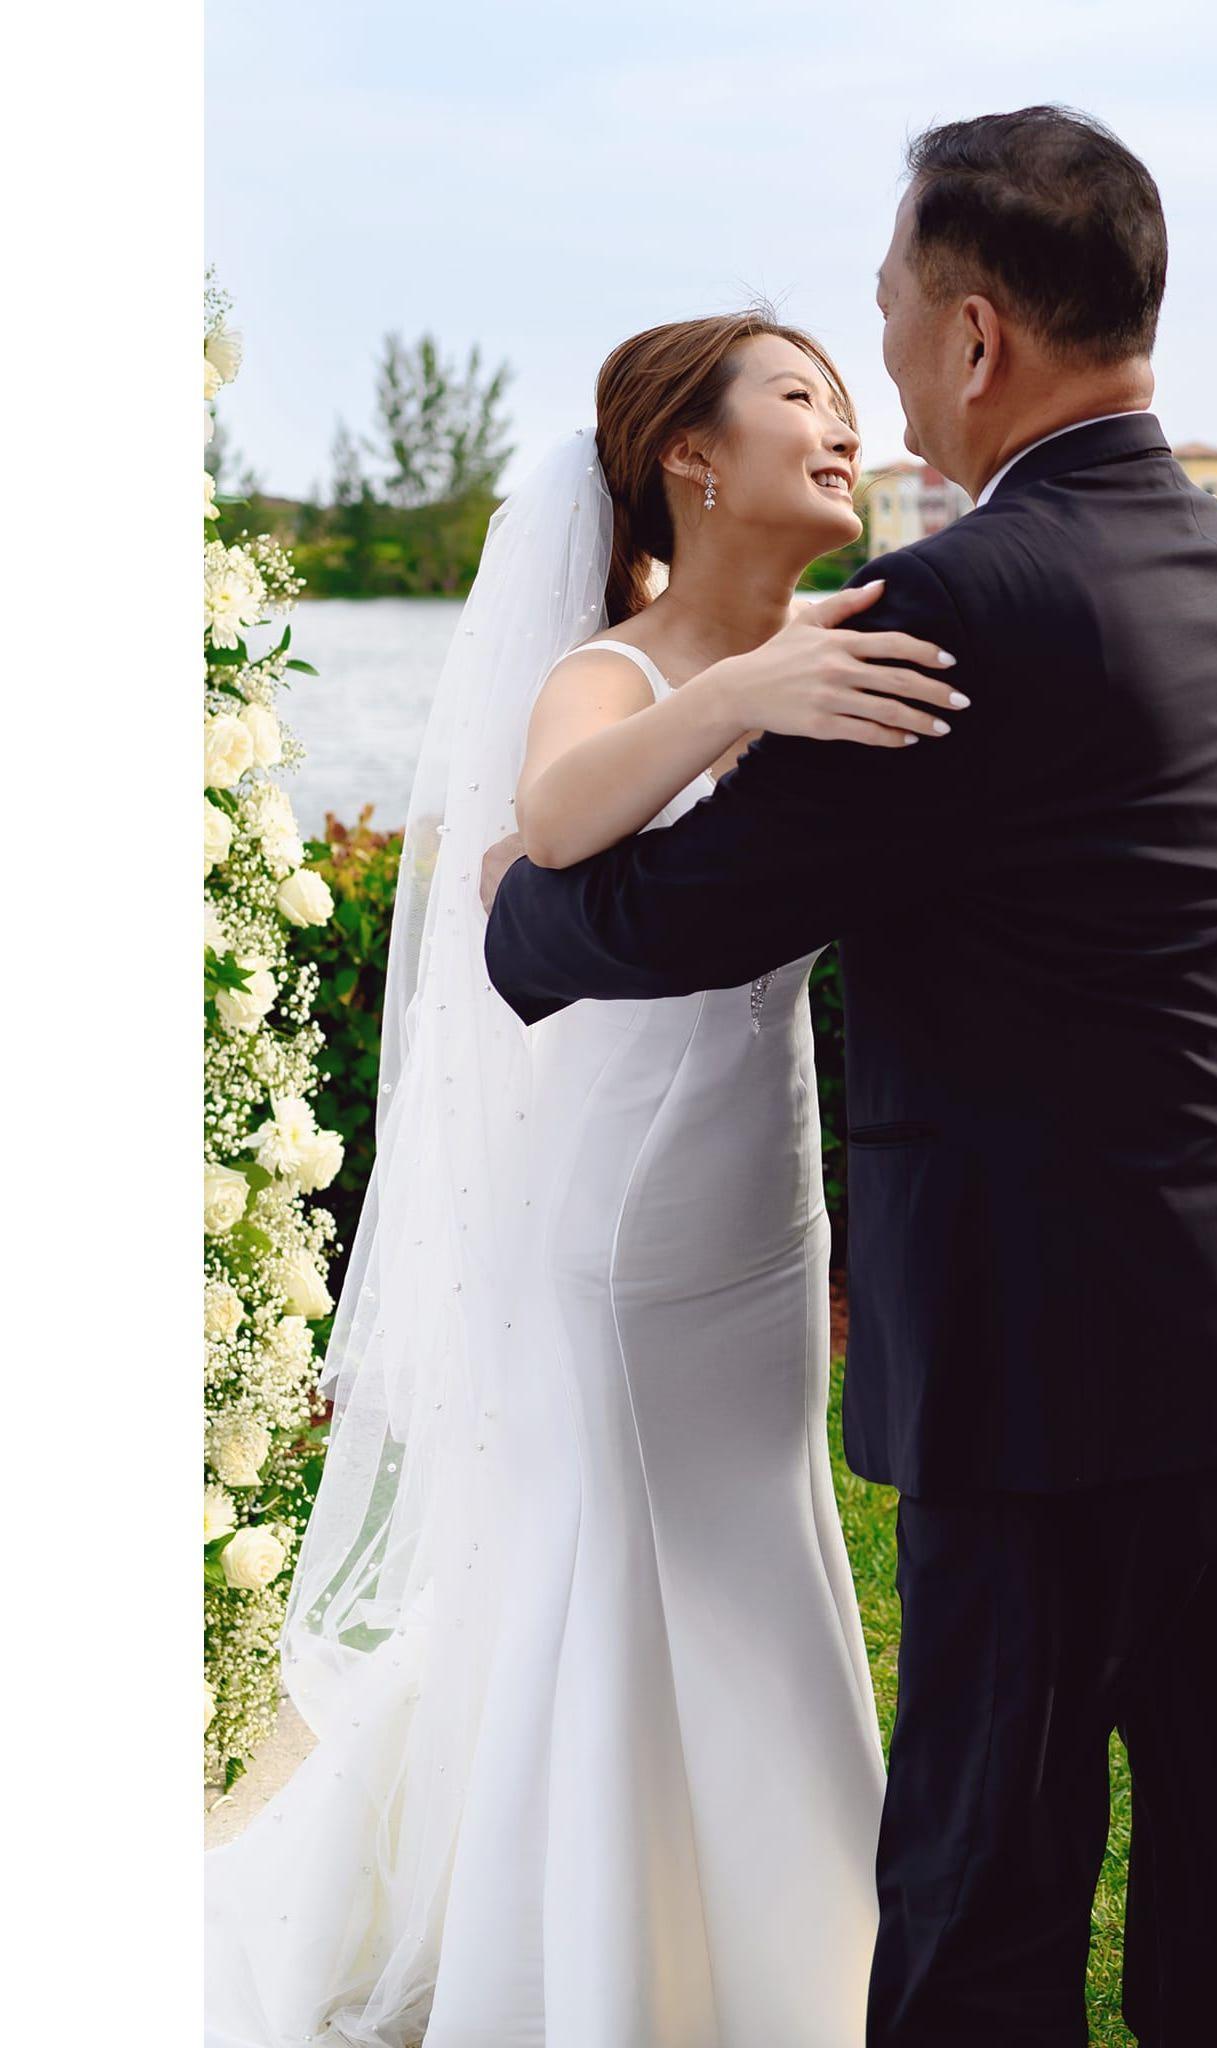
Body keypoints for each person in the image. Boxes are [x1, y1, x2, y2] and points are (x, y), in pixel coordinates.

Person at [484, 106, 1217, 2048]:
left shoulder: (964, 600)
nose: (876, 359)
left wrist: (511, 911)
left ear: (974, 335)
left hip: (1045, 1354)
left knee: (986, 1876)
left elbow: (692, 904)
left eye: (886, 311)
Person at [205, 313, 967, 2048]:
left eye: (846, 400)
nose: (843, 425)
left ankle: (790, 1951)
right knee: (628, 1556)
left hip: (764, 1195)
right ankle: (600, 1970)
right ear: (691, 457)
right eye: (800, 398)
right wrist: (737, 692)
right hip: (629, 1215)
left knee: (756, 1542)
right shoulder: (612, 670)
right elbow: (548, 826)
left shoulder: (830, 645)